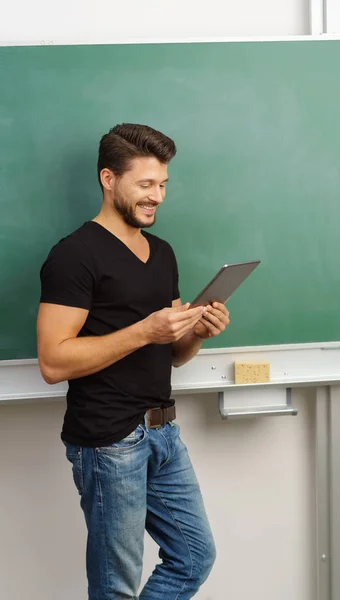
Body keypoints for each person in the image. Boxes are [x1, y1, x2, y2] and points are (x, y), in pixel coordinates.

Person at [37, 123, 230, 600]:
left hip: (163, 432)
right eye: (145, 185)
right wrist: (146, 329)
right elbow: (53, 361)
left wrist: (197, 332)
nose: (157, 197)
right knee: (116, 587)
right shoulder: (74, 255)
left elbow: (175, 354)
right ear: (109, 179)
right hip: (108, 442)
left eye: (162, 184)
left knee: (193, 557)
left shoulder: (161, 253)